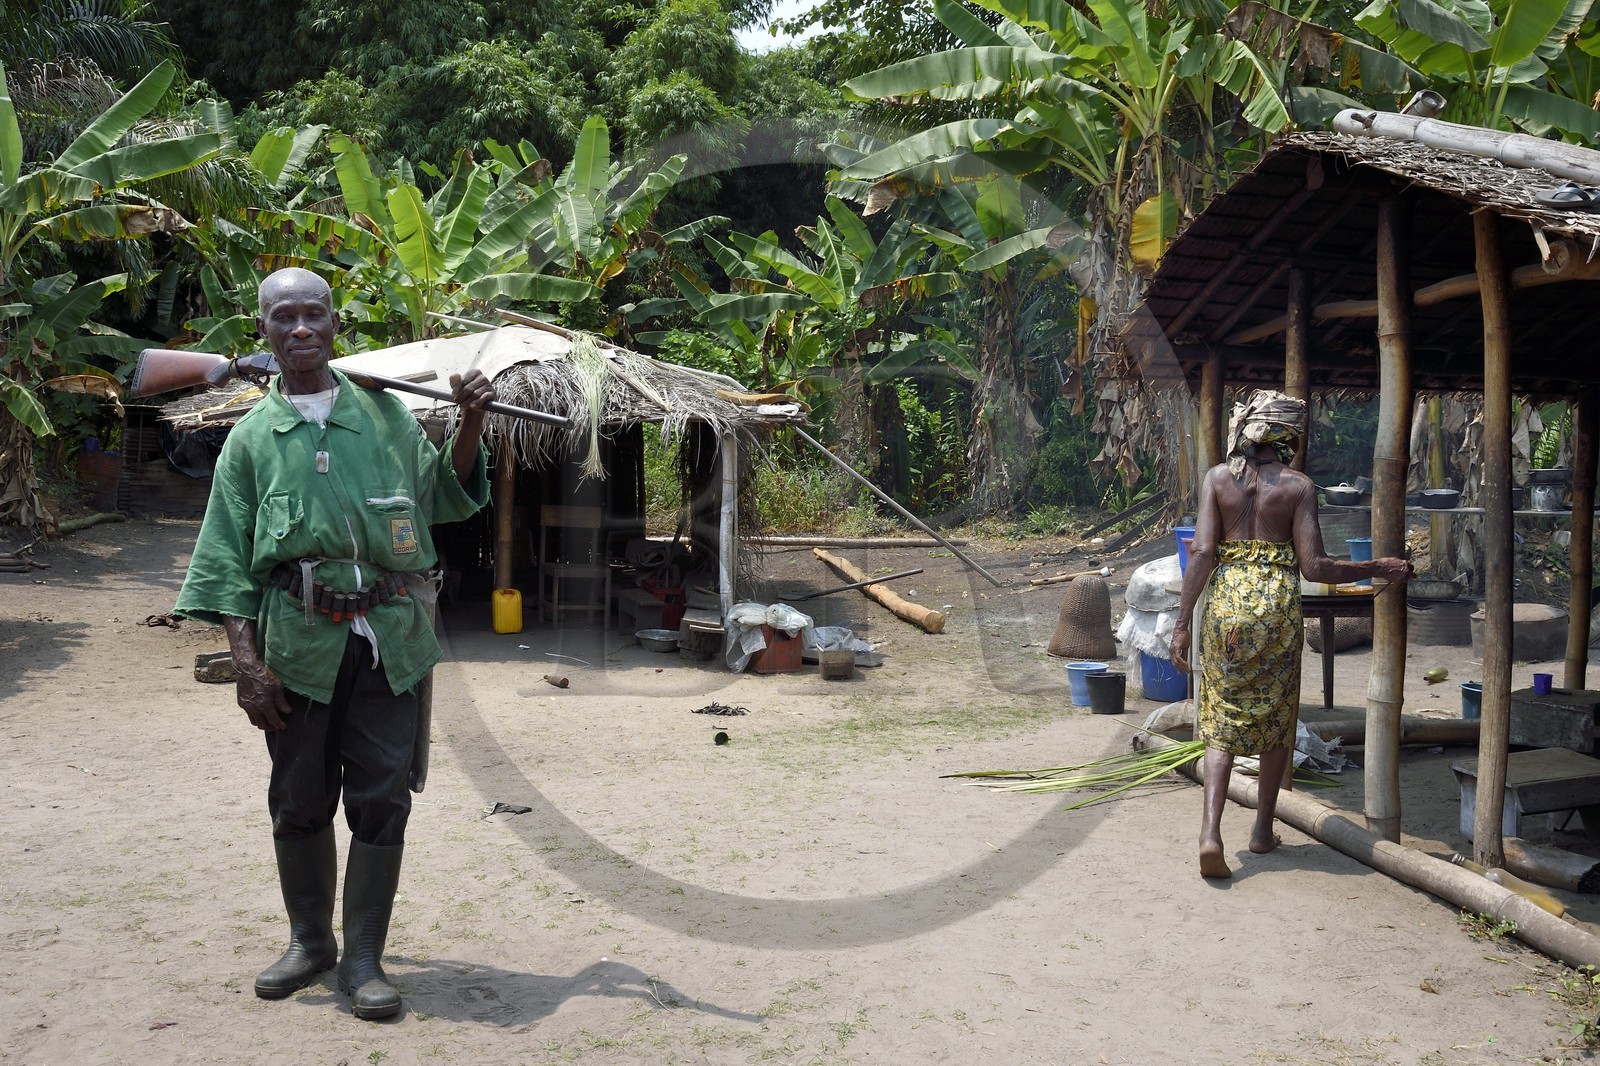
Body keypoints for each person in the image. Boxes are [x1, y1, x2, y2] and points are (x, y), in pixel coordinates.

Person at [174, 267, 495, 1018]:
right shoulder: (251, 441)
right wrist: (248, 668)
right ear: (264, 331)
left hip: (390, 639)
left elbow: (444, 497)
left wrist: (473, 421)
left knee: (382, 795)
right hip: (298, 645)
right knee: (298, 795)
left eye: (313, 315)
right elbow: (224, 561)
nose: (300, 330)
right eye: (283, 318)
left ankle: (363, 959)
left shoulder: (385, 416)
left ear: (334, 322)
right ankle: (309, 941)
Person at [1169, 390, 1410, 880]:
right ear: (1287, 436)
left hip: (1227, 610)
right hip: (1275, 611)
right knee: (1277, 719)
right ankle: (1261, 832)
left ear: (1246, 431)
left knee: (1220, 722)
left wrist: (1180, 624)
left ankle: (1210, 833)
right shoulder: (1299, 487)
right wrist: (1376, 566)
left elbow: (1202, 554)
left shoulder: (1218, 479)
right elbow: (1315, 565)